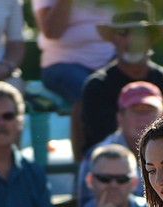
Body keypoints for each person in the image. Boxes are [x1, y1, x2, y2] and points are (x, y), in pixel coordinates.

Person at [80, 1, 163, 154]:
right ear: (114, 39)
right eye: (124, 33)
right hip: (113, 172)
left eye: (139, 33)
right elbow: (104, 137)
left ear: (151, 39)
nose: (132, 40)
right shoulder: (97, 86)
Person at [32, 0, 115, 159]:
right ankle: (82, 167)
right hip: (62, 63)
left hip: (109, 60)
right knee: (88, 91)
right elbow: (51, 31)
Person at [76, 79, 163, 206]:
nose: (142, 117)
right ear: (120, 117)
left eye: (149, 110)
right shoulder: (97, 156)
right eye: (136, 110)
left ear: (162, 115)